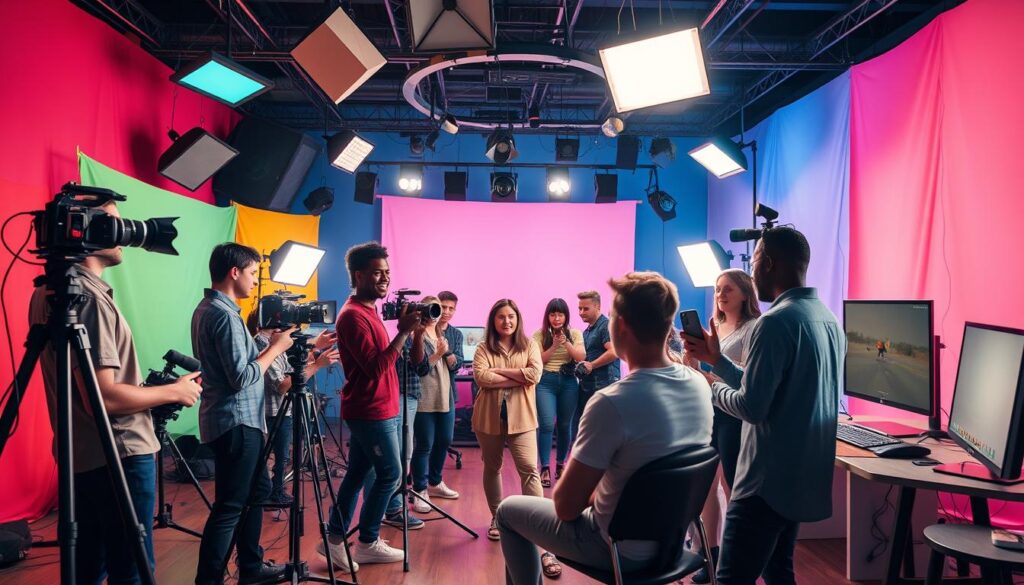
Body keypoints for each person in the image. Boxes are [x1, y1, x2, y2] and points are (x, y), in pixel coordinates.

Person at [495, 271, 714, 585]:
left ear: (620, 326)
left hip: (616, 549)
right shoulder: (698, 385)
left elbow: (566, 507)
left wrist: (600, 491)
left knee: (508, 511)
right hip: (673, 543)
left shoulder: (611, 403)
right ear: (668, 325)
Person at [28, 198, 201, 585]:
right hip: (119, 454)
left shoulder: (47, 291)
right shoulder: (86, 298)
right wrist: (174, 392)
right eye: (114, 225)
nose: (127, 234)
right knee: (132, 570)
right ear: (89, 232)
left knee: (88, 566)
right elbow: (103, 399)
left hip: (80, 456)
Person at [683, 227, 845, 585]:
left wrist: (709, 386)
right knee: (779, 573)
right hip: (799, 479)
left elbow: (752, 406)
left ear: (769, 263)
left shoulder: (773, 323)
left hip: (763, 485)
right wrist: (719, 362)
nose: (753, 271)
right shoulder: (828, 320)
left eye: (754, 260)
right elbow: (773, 388)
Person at [192, 243, 295, 585]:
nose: (254, 281)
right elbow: (241, 377)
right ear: (234, 272)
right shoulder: (222, 314)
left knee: (256, 494)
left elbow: (248, 361)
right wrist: (277, 348)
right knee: (230, 507)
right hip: (236, 421)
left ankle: (251, 567)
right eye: (252, 273)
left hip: (238, 421)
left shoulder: (216, 309)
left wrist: (276, 345)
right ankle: (208, 580)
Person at [320, 241, 421, 568]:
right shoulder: (351, 317)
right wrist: (403, 333)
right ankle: (367, 541)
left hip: (383, 408)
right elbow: (376, 367)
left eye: (387, 273)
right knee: (391, 473)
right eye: (377, 273)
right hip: (370, 411)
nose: (384, 279)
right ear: (358, 275)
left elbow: (385, 360)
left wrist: (405, 332)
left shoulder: (370, 311)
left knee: (357, 474)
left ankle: (335, 540)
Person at [688, 269, 761, 584]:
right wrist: (689, 361)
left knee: (733, 488)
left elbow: (750, 378)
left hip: (733, 416)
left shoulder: (754, 329)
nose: (720, 294)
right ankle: (710, 554)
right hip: (708, 412)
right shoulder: (714, 326)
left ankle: (735, 557)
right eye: (718, 289)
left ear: (745, 294)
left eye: (728, 289)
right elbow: (702, 366)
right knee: (706, 488)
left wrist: (712, 376)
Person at [246, 312, 340, 507]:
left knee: (283, 455)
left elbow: (292, 368)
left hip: (280, 409)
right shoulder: (263, 344)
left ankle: (275, 491)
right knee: (276, 457)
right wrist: (317, 365)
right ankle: (270, 493)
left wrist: (312, 349)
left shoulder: (274, 342)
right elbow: (281, 385)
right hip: (271, 411)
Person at [472, 298, 543, 543]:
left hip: (522, 419)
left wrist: (499, 372)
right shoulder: (483, 348)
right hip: (488, 419)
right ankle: (497, 517)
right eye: (501, 317)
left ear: (518, 319)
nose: (507, 321)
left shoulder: (529, 344)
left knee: (530, 470)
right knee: (493, 468)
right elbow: (481, 378)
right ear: (493, 320)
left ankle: (536, 521)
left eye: (511, 316)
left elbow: (534, 374)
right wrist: (518, 378)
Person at [409, 295, 461, 512]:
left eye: (438, 309)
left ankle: (435, 481)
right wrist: (439, 354)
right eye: (432, 308)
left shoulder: (443, 332)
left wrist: (447, 356)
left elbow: (455, 363)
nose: (437, 312)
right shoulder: (415, 334)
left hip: (444, 395)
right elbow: (419, 368)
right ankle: (420, 490)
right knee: (424, 445)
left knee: (445, 439)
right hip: (424, 397)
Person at [532, 298, 585, 487]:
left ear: (566, 316)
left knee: (565, 425)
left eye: (560, 314)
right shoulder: (539, 335)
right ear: (548, 316)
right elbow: (539, 360)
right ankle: (545, 467)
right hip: (546, 382)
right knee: (546, 424)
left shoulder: (575, 334)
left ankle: (561, 464)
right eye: (553, 314)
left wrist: (566, 343)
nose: (556, 318)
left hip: (569, 382)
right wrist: (554, 345)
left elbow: (580, 357)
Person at [574, 291, 619, 442]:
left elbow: (614, 351)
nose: (581, 312)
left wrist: (591, 365)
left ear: (597, 307)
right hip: (589, 387)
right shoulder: (586, 331)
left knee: (603, 433)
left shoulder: (605, 326)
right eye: (579, 308)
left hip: (603, 386)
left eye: (585, 309)